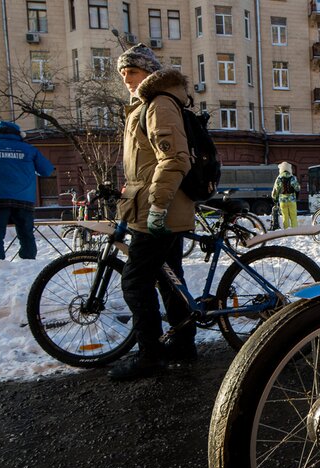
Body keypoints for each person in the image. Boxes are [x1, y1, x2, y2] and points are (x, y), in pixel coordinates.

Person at [110, 43, 198, 381]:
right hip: (152, 206)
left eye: (131, 71)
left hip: (159, 211)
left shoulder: (159, 103)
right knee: (168, 277)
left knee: (135, 281)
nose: (126, 78)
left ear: (150, 72)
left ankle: (149, 354)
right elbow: (145, 167)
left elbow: (174, 159)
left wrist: (158, 206)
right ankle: (183, 343)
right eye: (122, 73)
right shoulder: (146, 105)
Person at [0, 121, 54, 261]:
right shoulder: (28, 149)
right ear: (18, 134)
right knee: (26, 233)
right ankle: (28, 261)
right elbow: (47, 170)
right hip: (24, 198)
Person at [272, 162, 299, 228]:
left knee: (285, 217)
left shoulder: (279, 178)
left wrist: (274, 198)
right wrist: (297, 195)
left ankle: (286, 231)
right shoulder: (293, 177)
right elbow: (297, 188)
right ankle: (294, 231)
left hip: (282, 200)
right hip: (292, 200)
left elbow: (276, 190)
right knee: (293, 216)